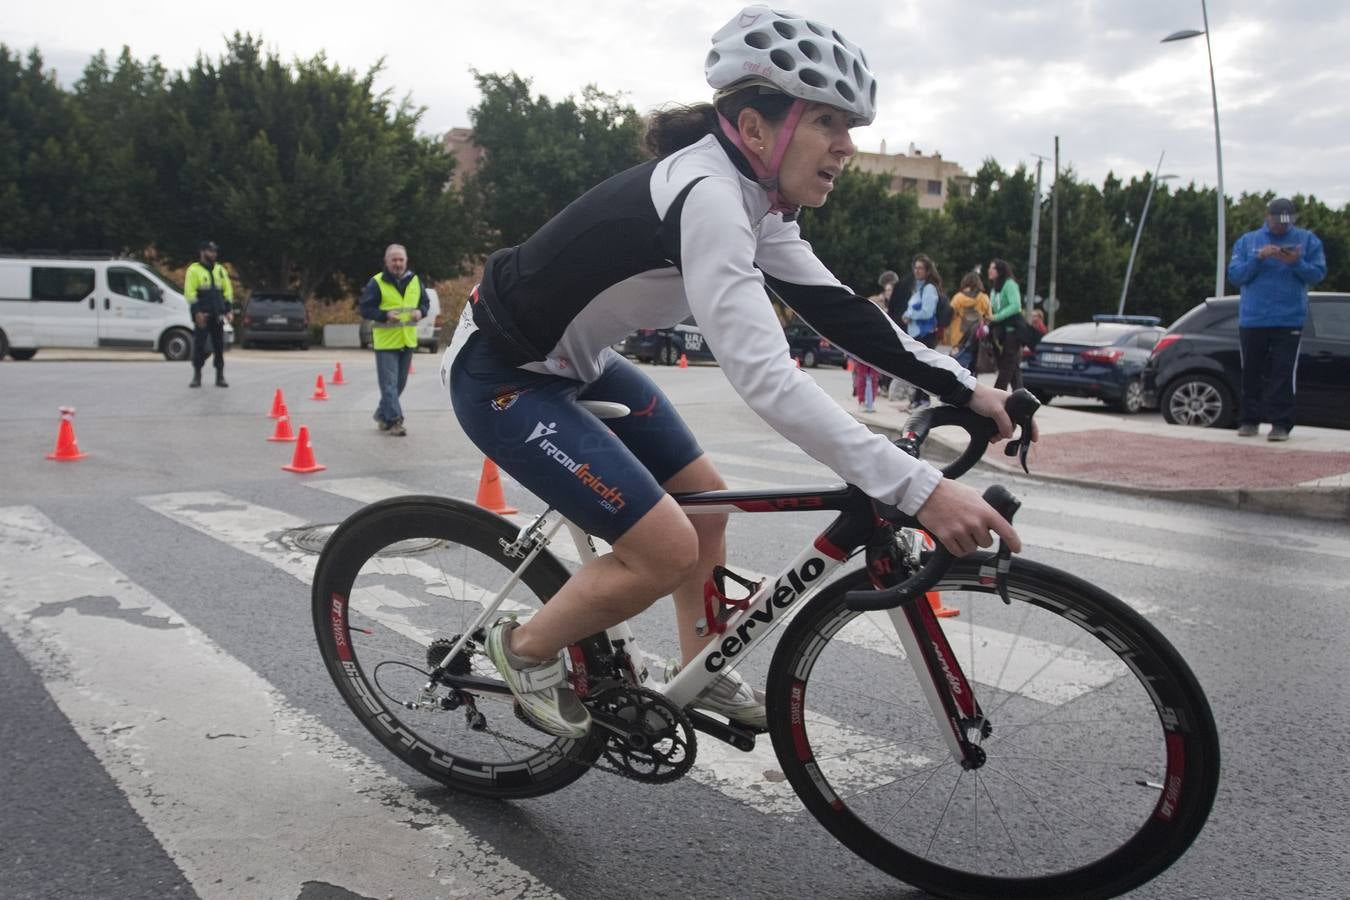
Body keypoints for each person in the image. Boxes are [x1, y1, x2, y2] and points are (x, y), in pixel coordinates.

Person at [443, 6, 1028, 739]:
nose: (848, 146)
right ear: (756, 128)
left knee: (707, 504)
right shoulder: (710, 197)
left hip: (576, 365)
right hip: (504, 374)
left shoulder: (760, 200)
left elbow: (840, 311)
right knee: (665, 548)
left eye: (850, 127)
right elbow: (766, 378)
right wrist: (920, 489)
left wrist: (968, 388)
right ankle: (524, 649)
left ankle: (701, 665)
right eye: (828, 123)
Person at [1226, 197, 1327, 441]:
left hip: (1288, 319)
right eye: (1276, 221)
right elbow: (1236, 276)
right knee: (1251, 371)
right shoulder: (1248, 241)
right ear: (1267, 216)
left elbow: (1318, 273)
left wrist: (1296, 262)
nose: (1280, 227)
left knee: (1283, 373)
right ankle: (1249, 420)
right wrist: (1258, 258)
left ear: (1293, 219)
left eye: (1286, 222)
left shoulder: (1307, 240)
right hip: (1253, 319)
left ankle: (1281, 424)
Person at [359, 244, 429, 437]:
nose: (398, 263)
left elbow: (425, 303)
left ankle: (382, 414)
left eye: (401, 260)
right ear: (387, 262)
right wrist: (384, 315)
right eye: (394, 260)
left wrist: (420, 312)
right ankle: (395, 421)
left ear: (406, 261)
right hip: (386, 342)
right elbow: (365, 309)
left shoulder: (415, 280)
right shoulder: (377, 282)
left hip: (407, 341)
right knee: (389, 385)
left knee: (400, 385)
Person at [184, 240, 234, 388]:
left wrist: (228, 309)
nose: (214, 254)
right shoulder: (194, 270)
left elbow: (227, 290)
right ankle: (197, 376)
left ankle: (220, 376)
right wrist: (197, 312)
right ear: (203, 252)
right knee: (200, 346)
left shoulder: (220, 270)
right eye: (211, 251)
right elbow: (190, 293)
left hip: (217, 315)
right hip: (203, 316)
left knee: (219, 347)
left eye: (215, 251)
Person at [901, 254, 942, 409]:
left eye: (920, 268)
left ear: (927, 271)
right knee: (916, 367)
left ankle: (924, 399)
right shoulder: (917, 288)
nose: (917, 271)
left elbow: (928, 312)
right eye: (915, 268)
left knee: (924, 367)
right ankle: (916, 399)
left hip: (924, 333)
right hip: (915, 333)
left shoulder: (929, 288)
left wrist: (909, 315)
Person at [987, 258, 1024, 391]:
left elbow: (1016, 305)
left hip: (1013, 329)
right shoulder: (995, 288)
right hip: (1002, 330)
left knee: (1007, 363)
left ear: (1000, 271)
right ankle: (1020, 395)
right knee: (1012, 365)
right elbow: (994, 307)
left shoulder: (1009, 284)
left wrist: (996, 317)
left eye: (993, 268)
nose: (989, 270)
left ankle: (997, 393)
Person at [949, 272, 992, 370]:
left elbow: (950, 315)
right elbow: (989, 317)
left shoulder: (958, 298)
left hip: (958, 338)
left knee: (957, 367)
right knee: (973, 368)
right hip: (976, 338)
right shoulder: (983, 298)